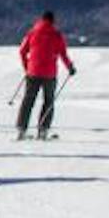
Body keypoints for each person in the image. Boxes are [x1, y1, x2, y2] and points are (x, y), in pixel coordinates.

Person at [16, 11, 76, 140]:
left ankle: (21, 130)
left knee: (28, 100)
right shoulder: (56, 34)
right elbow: (63, 54)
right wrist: (70, 67)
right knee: (48, 101)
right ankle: (43, 130)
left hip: (32, 72)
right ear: (53, 21)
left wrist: (27, 67)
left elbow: (22, 51)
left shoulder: (32, 32)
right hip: (49, 73)